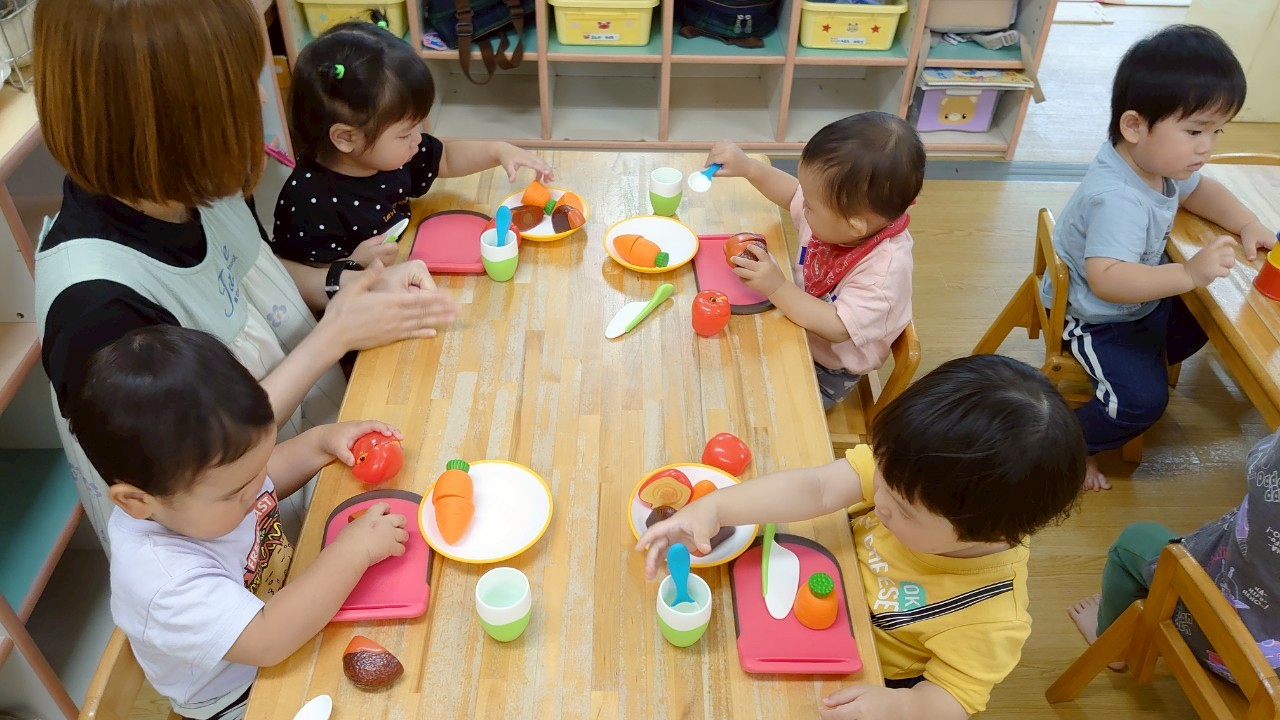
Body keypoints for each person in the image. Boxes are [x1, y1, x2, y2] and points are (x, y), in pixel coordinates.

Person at [32, 0, 457, 549]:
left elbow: (248, 273)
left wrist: (342, 284)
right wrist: (334, 336)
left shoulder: (189, 184)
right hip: (241, 546)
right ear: (160, 114)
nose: (259, 98)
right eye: (236, 83)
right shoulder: (95, 308)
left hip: (314, 450)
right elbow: (201, 467)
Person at [638, 355, 1085, 719]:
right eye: (881, 478)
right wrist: (716, 507)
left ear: (990, 532)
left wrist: (902, 707)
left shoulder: (990, 617)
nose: (881, 501)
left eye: (903, 510)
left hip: (855, 673)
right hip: (808, 591)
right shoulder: (914, 473)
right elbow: (817, 487)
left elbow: (952, 699)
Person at [69, 326, 410, 720]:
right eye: (236, 492)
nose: (257, 488)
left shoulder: (203, 495)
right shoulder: (164, 580)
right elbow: (268, 639)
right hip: (241, 694)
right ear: (136, 501)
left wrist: (321, 443)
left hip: (286, 615)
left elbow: (266, 476)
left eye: (257, 467)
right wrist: (354, 550)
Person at [1043, 24, 1275, 491]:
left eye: (1216, 130)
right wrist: (1187, 272)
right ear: (1134, 126)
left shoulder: (1152, 161)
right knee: (1140, 405)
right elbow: (1108, 280)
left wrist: (1248, 223)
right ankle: (1069, 447)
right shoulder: (1117, 199)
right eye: (1194, 130)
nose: (1207, 146)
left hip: (1136, 302)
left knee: (1211, 317)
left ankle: (1142, 364)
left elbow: (1202, 192)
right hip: (1096, 318)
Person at [271, 21, 553, 266]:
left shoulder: (390, 156)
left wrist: (497, 150)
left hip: (405, 259)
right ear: (346, 138)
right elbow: (297, 280)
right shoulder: (309, 203)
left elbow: (446, 158)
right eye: (405, 134)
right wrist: (352, 265)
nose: (418, 139)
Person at [703, 112, 924, 410]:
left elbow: (837, 326)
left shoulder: (883, 274)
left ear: (854, 226)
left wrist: (777, 286)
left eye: (809, 205)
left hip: (828, 368)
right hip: (797, 324)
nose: (801, 205)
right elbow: (792, 192)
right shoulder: (841, 218)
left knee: (753, 402)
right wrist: (749, 168)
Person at [1068, 428, 1280, 678]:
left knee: (1133, 541)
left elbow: (1260, 456)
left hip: (1218, 644)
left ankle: (1111, 647)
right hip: (1271, 687)